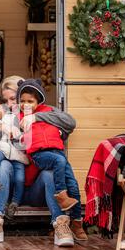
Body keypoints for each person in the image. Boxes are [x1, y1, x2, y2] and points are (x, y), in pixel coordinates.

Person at [0, 76, 82, 244]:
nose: (10, 104)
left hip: (36, 188)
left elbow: (69, 123)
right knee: (3, 165)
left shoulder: (43, 111)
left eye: (13, 99)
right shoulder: (3, 118)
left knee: (48, 173)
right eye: (6, 100)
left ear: (34, 98)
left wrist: (36, 118)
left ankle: (61, 225)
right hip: (10, 189)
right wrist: (1, 130)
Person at [17, 79, 79, 212]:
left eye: (30, 101)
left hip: (52, 159)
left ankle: (72, 221)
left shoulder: (49, 111)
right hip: (29, 186)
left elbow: (69, 123)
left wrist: (37, 118)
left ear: (39, 101)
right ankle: (60, 205)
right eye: (22, 101)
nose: (25, 105)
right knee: (55, 165)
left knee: (66, 180)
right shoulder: (15, 118)